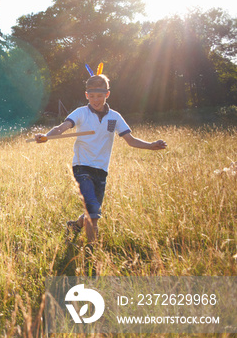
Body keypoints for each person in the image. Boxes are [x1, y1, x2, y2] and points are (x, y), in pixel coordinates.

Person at [35, 69, 166, 250]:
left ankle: (75, 225)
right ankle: (92, 252)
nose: (96, 100)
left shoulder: (115, 117)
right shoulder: (81, 113)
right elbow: (62, 127)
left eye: (100, 96)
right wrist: (47, 136)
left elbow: (130, 140)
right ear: (86, 95)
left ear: (107, 94)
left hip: (101, 170)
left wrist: (151, 145)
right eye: (92, 96)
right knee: (94, 213)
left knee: (91, 211)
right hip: (82, 167)